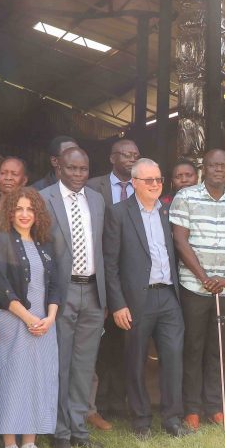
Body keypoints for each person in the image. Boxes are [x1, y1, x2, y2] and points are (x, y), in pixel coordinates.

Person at [103, 158, 190, 438]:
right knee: (135, 359)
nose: (155, 185)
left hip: (167, 296)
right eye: (148, 180)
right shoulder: (118, 214)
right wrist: (117, 304)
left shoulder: (167, 212)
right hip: (136, 300)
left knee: (174, 358)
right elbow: (110, 265)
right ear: (135, 183)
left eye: (158, 180)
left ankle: (172, 419)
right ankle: (141, 420)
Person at [170, 149, 225, 430]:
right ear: (205, 168)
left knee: (217, 349)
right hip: (194, 285)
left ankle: (214, 407)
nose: (219, 169)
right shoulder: (186, 196)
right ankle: (191, 409)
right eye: (214, 165)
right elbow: (180, 240)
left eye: (224, 166)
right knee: (193, 347)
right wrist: (204, 276)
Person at [40, 147, 108, 448]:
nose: (79, 175)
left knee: (84, 364)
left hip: (93, 292)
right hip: (60, 293)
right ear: (59, 168)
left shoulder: (96, 199)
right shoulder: (44, 199)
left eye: (84, 169)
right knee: (61, 364)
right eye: (72, 169)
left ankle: (79, 429)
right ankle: (60, 431)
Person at [0, 187, 61, 448]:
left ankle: (30, 444)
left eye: (30, 209)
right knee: (12, 379)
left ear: (38, 213)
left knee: (37, 379)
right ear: (10, 212)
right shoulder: (0, 242)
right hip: (14, 321)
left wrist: (50, 317)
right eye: (19, 209)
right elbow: (0, 288)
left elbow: (55, 285)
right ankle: (10, 447)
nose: (24, 214)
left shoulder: (45, 243)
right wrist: (29, 318)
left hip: (44, 322)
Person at [87, 138, 142, 425]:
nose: (131, 159)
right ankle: (96, 403)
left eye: (135, 154)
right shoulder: (93, 187)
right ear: (112, 158)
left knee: (128, 342)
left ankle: (119, 402)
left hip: (133, 277)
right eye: (125, 154)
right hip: (99, 274)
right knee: (99, 342)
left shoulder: (145, 187)